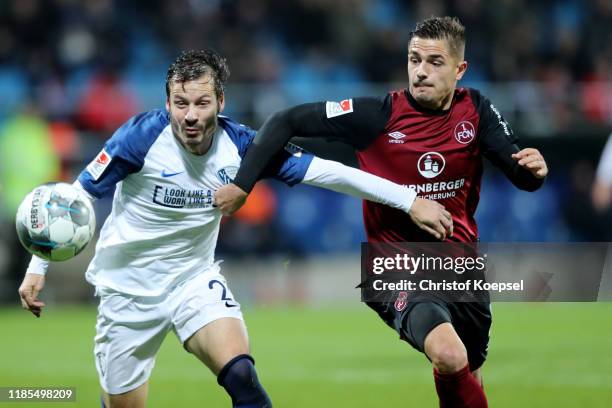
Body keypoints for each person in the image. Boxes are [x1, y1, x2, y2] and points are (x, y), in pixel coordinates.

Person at [17, 49, 452, 408]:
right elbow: (70, 202)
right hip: (127, 293)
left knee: (242, 375)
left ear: (221, 102)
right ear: (167, 101)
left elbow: (330, 173)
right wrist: (38, 266)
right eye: (180, 103)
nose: (189, 115)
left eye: (201, 103)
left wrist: (410, 200)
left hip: (192, 281)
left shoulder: (243, 148)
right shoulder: (141, 138)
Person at [214, 17, 549, 408]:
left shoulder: (475, 109)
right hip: (394, 267)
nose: (421, 71)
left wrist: (533, 171)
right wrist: (243, 183)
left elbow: (520, 172)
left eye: (435, 62)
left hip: (459, 267)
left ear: (460, 70)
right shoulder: (376, 115)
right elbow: (285, 120)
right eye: (414, 59)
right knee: (449, 354)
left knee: (466, 374)